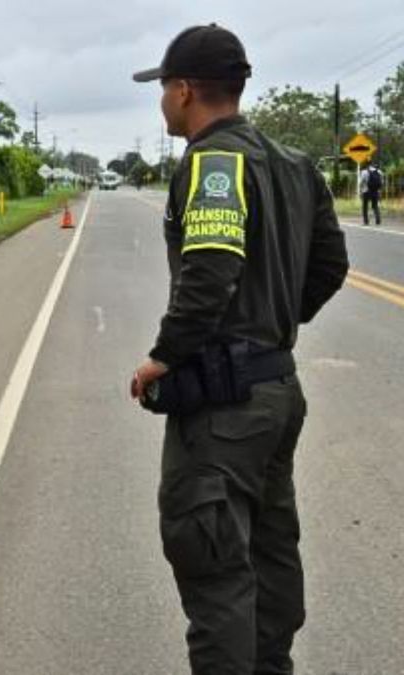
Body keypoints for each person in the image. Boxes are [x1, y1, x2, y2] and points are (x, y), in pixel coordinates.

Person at [131, 24, 349, 673]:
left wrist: (164, 356)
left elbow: (209, 274)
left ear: (185, 89)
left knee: (217, 567)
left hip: (225, 407)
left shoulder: (213, 162)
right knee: (270, 547)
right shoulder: (294, 165)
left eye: (164, 88)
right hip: (277, 391)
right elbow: (331, 264)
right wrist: (276, 323)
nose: (163, 101)